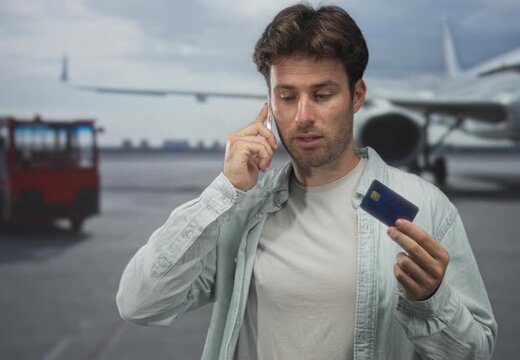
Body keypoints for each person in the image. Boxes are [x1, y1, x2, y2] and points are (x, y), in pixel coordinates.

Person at [117, 4, 497, 360]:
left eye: (322, 95)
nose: (303, 116)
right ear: (269, 102)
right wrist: (224, 191)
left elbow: (475, 351)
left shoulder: (423, 207)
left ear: (357, 95)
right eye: (286, 96)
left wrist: (431, 301)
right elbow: (139, 303)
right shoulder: (240, 209)